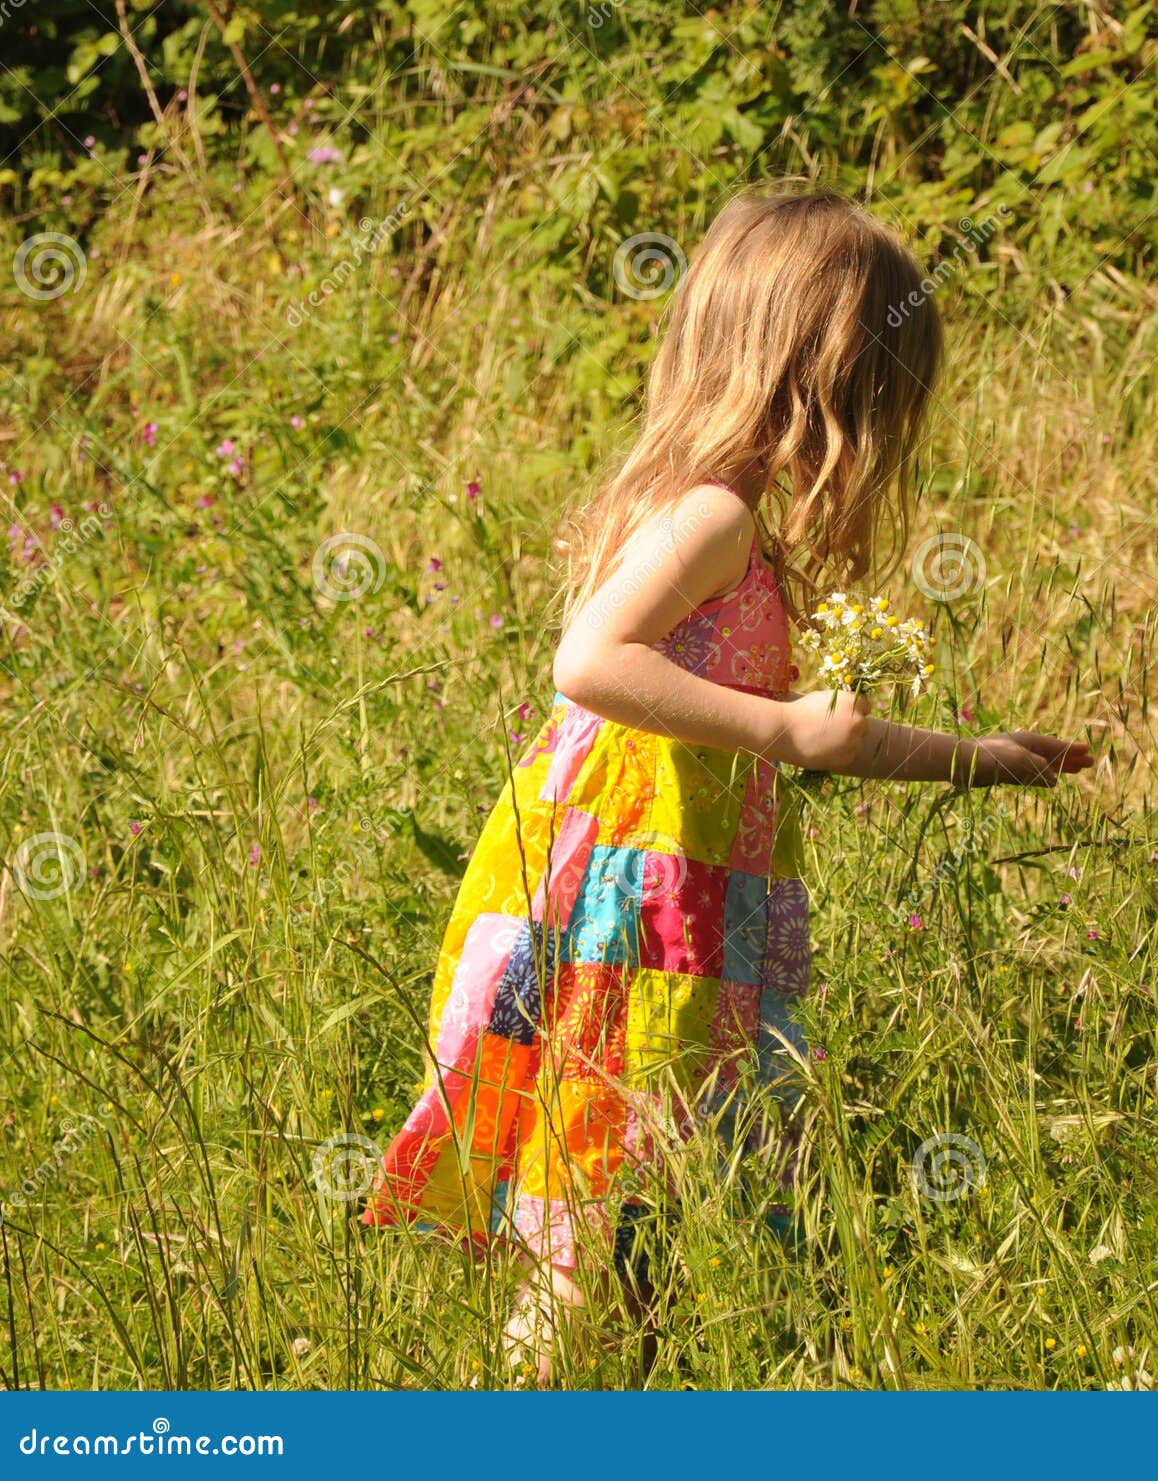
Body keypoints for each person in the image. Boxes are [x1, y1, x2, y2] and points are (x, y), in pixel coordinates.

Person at [363, 185, 1092, 1384]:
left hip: (680, 903)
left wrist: (982, 759)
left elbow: (815, 737)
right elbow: (590, 663)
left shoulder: (726, 518)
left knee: (642, 1210)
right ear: (824, 385)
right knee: (591, 1216)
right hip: (617, 903)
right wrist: (781, 727)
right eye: (879, 399)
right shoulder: (708, 517)